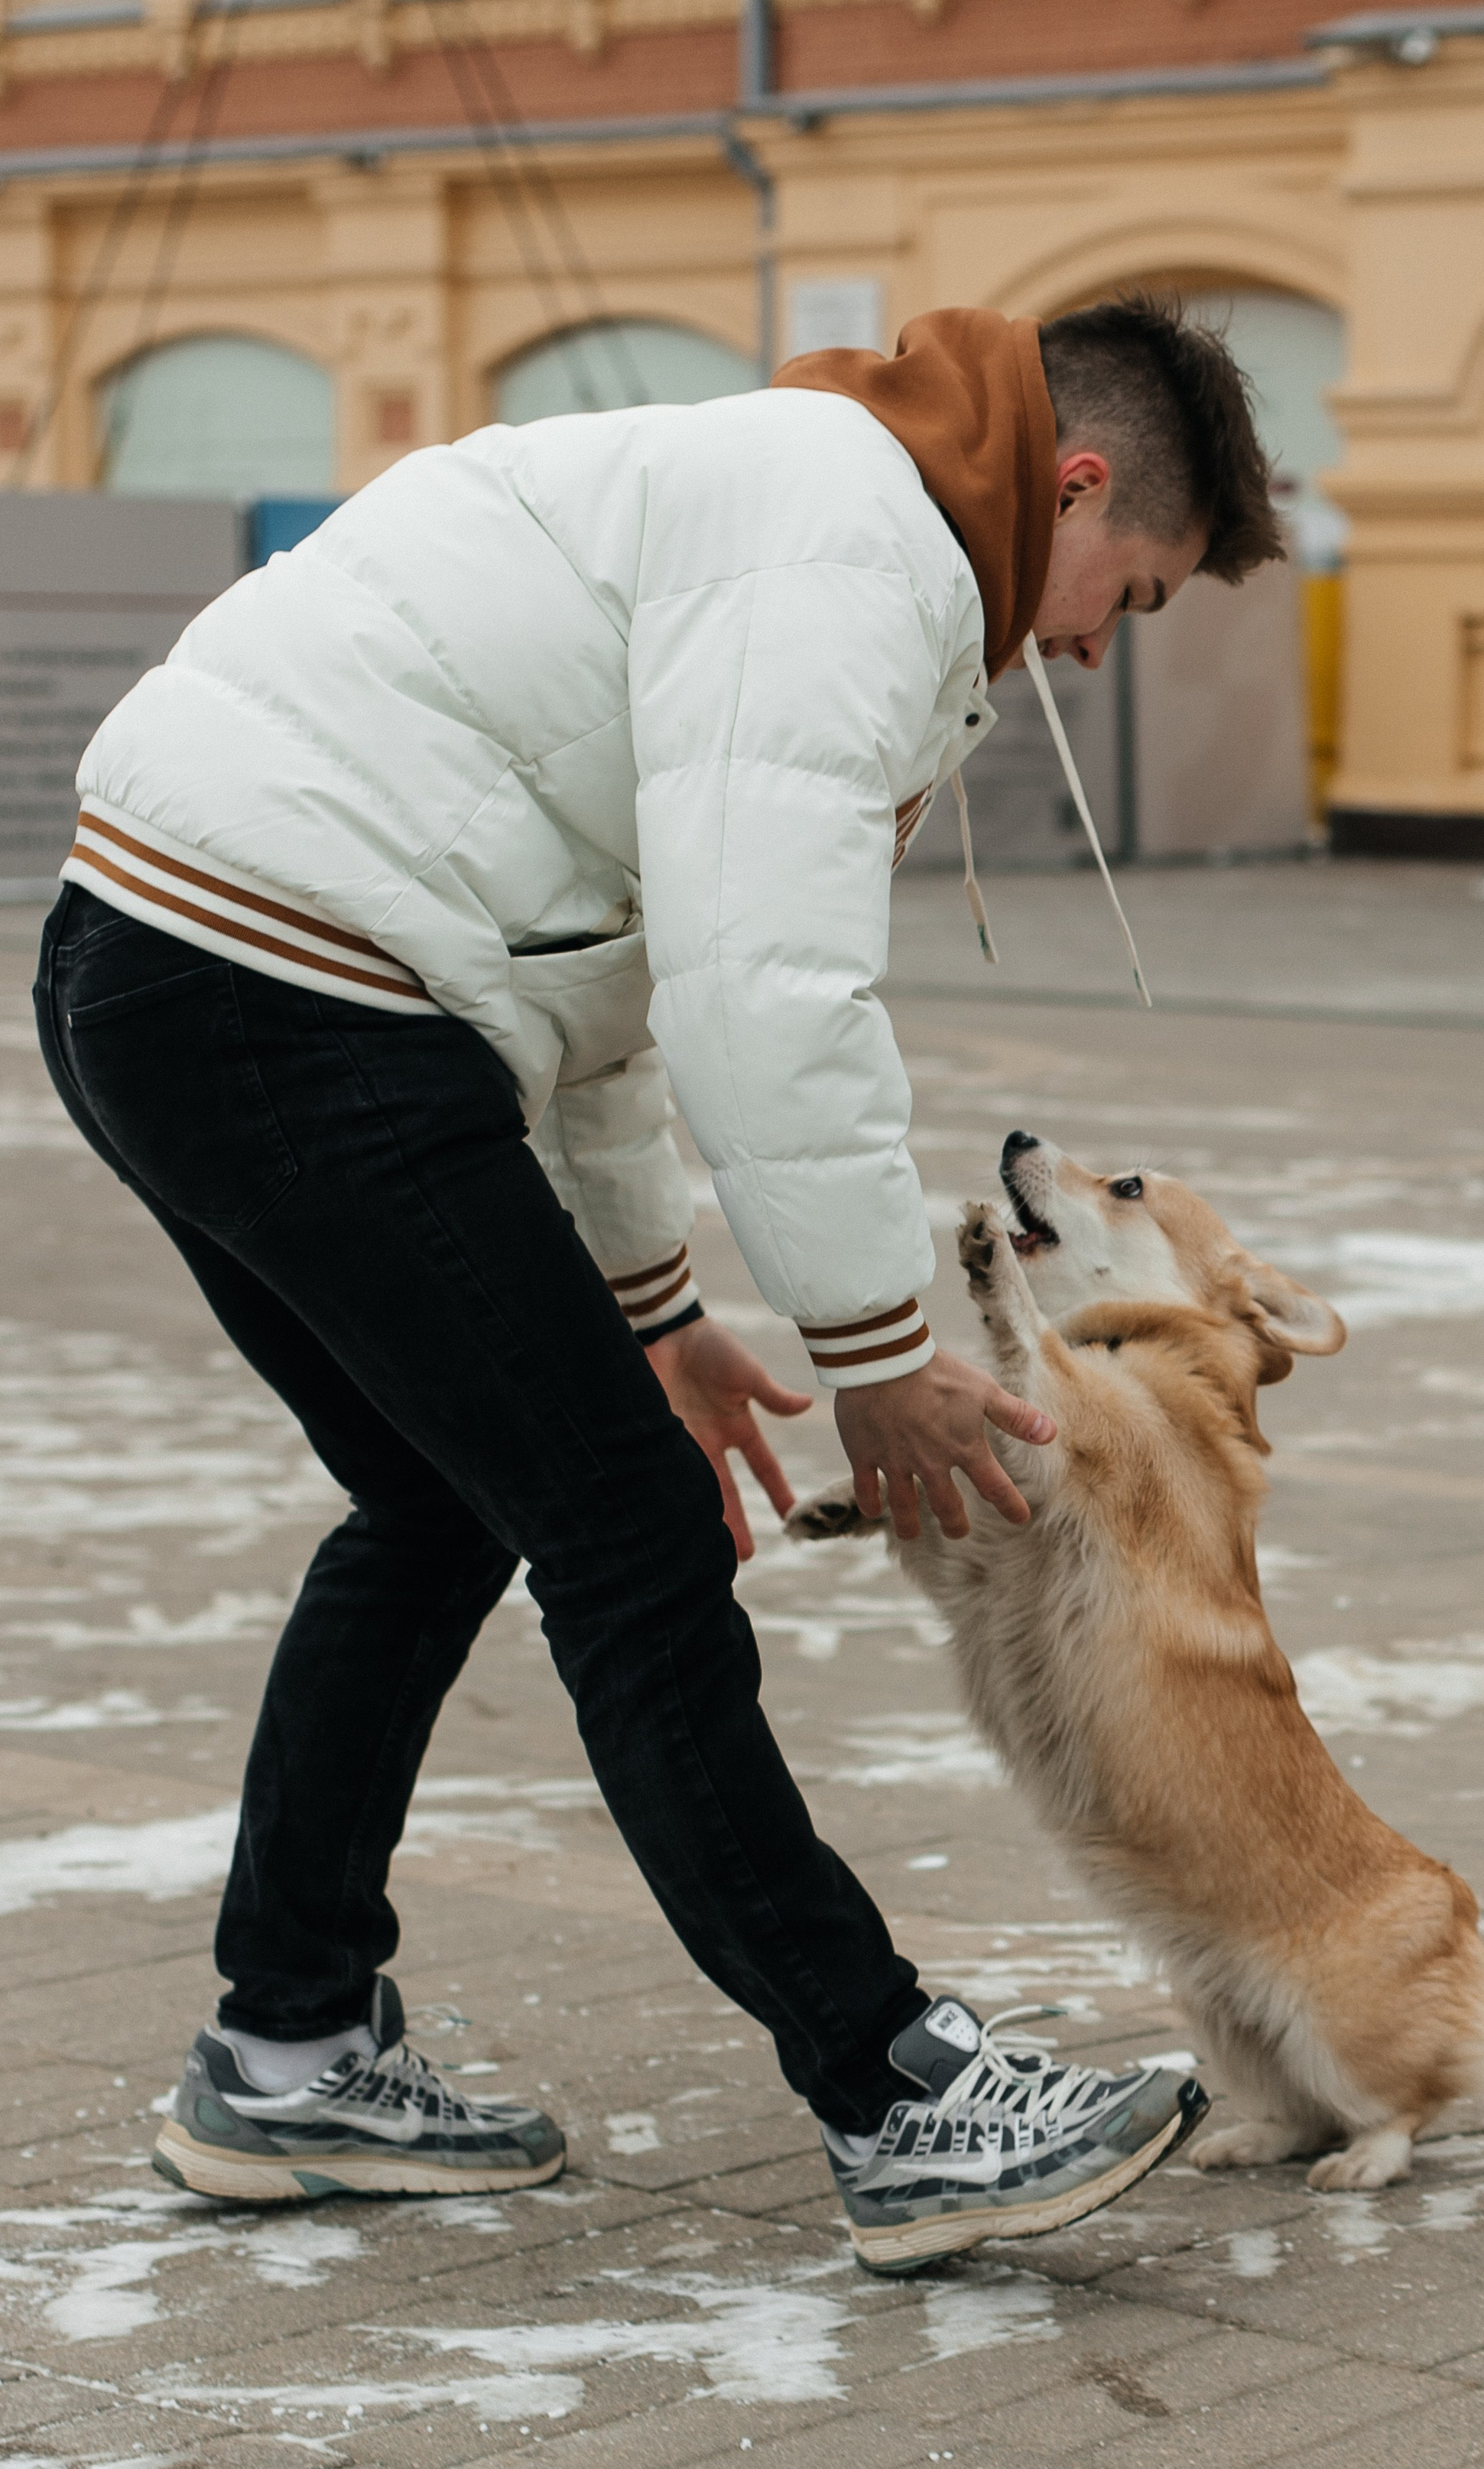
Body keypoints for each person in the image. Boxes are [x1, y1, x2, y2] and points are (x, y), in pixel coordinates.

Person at [35, 293, 1284, 2273]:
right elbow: (756, 988)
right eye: (1128, 598)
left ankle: (288, 2044)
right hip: (296, 988)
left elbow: (599, 988)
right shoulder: (850, 543)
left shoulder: (800, 505)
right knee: (624, 1529)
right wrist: (874, 1355)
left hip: (170, 965)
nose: (1085, 648)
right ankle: (898, 2089)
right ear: (1078, 482)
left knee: (446, 1497)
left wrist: (654, 1310)